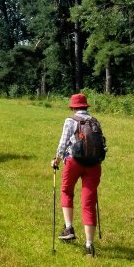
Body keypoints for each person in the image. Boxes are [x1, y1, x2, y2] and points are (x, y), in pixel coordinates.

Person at [51, 93, 102, 257]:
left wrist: (56, 160)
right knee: (88, 203)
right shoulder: (95, 122)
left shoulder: (70, 121)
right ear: (86, 106)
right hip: (94, 165)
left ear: (73, 107)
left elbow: (63, 143)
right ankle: (89, 245)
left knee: (67, 192)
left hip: (74, 162)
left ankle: (69, 228)